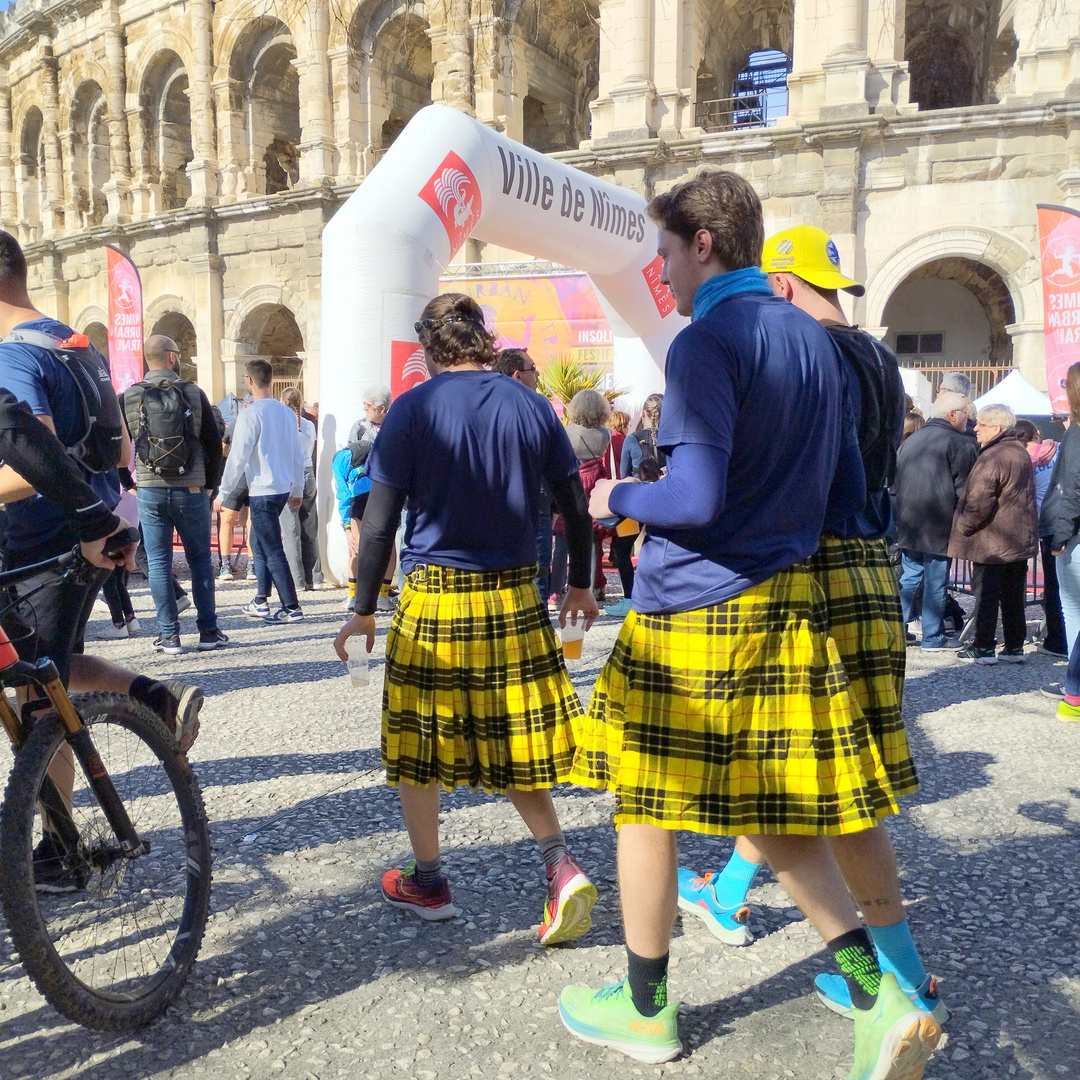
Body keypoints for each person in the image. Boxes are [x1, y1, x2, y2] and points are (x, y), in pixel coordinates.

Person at [558, 172, 940, 1078]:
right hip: (783, 599)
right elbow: (839, 491)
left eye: (664, 255)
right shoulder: (812, 340)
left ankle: (646, 1008)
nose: (660, 275)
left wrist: (618, 495)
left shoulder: (703, 343)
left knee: (642, 807)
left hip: (691, 609)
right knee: (772, 814)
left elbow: (691, 495)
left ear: (703, 243)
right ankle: (880, 992)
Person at [677, 224, 944, 1028]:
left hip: (811, 573)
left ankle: (893, 976)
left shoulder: (803, 351)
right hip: (872, 568)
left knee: (808, 781)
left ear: (782, 287)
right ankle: (727, 892)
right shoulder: (880, 359)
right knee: (810, 776)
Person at [333, 292, 600, 945]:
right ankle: (559, 866)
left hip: (436, 598)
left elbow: (378, 525)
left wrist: (362, 610)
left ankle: (429, 881)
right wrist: (582, 585)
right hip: (513, 596)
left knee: (418, 745)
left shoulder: (413, 408)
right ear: (484, 340)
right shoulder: (532, 405)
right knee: (515, 738)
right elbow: (575, 505)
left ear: (430, 347)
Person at [0, 231, 203, 830]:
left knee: (39, 691)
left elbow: (30, 458)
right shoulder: (73, 341)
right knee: (47, 668)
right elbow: (115, 445)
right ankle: (153, 697)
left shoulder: (13, 353)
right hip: (91, 524)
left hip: (43, 534)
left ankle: (58, 848)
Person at [120, 334, 227, 653]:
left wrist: (128, 482)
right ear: (170, 357)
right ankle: (208, 632)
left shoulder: (127, 396)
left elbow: (116, 446)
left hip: (150, 490)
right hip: (191, 489)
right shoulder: (194, 393)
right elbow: (213, 442)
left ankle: (169, 636)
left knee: (158, 562)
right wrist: (210, 485)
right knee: (200, 561)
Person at [215, 359, 307, 624]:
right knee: (259, 539)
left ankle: (291, 606)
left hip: (263, 488)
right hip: (281, 486)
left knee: (271, 546)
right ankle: (260, 600)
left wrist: (223, 493)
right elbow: (297, 455)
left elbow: (237, 458)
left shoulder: (250, 414)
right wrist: (297, 486)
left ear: (250, 381)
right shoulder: (287, 413)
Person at [948, 404, 1037, 664]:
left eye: (982, 424)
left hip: (993, 539)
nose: (976, 428)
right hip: (1017, 537)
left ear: (996, 427)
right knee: (1013, 595)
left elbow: (979, 501)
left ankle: (984, 647)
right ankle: (1014, 647)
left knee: (986, 594)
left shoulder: (994, 455)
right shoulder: (1018, 451)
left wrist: (963, 526)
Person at [892, 390, 979, 648]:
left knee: (909, 576)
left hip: (909, 522)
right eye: (965, 414)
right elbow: (967, 489)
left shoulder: (911, 440)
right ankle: (932, 636)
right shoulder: (959, 443)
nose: (968, 420)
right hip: (940, 523)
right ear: (952, 414)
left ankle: (894, 630)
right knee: (935, 582)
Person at [491, 348, 554, 602]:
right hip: (529, 499)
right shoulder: (536, 407)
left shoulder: (486, 405)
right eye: (532, 368)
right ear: (517, 375)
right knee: (535, 569)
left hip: (507, 500)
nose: (537, 374)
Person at [605, 394, 666, 619]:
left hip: (635, 501)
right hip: (664, 501)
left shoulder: (632, 439)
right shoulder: (670, 439)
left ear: (643, 413)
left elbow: (623, 476)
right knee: (661, 545)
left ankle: (629, 598)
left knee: (622, 549)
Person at [1041, 364, 1080, 717]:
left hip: (1075, 537)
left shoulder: (1077, 434)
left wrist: (1062, 534)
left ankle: (1075, 691)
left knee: (1073, 611)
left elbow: (1071, 488)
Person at [551, 388, 610, 603]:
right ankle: (591, 586)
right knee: (593, 539)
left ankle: (555, 589)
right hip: (594, 485)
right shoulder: (604, 434)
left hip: (573, 482)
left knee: (562, 540)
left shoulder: (567, 432)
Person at [1017, 419, 1067, 658]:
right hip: (1067, 520)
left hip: (1047, 524)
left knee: (1054, 586)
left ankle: (1057, 640)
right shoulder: (1058, 448)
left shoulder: (1023, 459)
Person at [278, 387, 318, 594]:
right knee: (309, 528)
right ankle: (314, 577)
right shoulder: (309, 425)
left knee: (291, 530)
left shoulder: (284, 426)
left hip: (290, 474)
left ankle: (297, 580)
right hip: (309, 472)